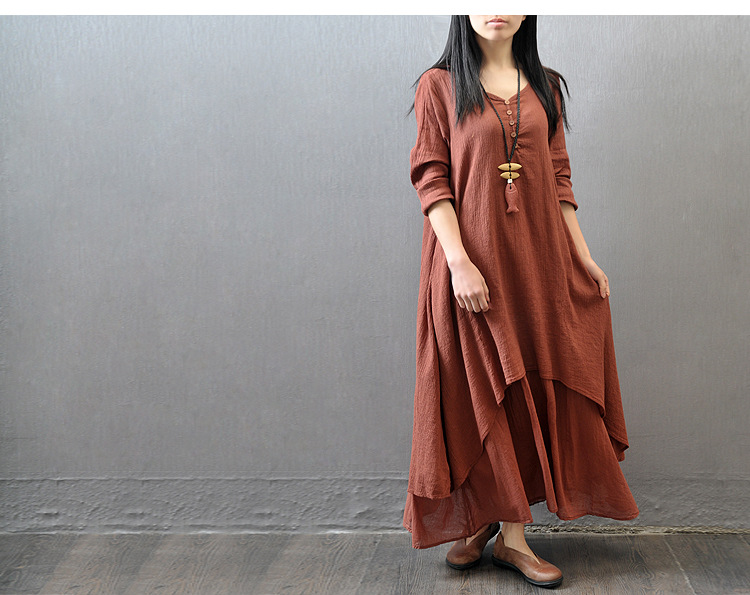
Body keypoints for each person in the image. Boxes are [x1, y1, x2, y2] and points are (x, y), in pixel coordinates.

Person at [403, 15, 639, 589]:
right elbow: (431, 178)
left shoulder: (546, 87)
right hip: (470, 265)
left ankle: (511, 537)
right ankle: (485, 517)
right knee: (477, 391)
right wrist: (459, 262)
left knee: (527, 384)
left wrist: (583, 256)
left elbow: (559, 179)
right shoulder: (438, 85)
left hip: (536, 264)